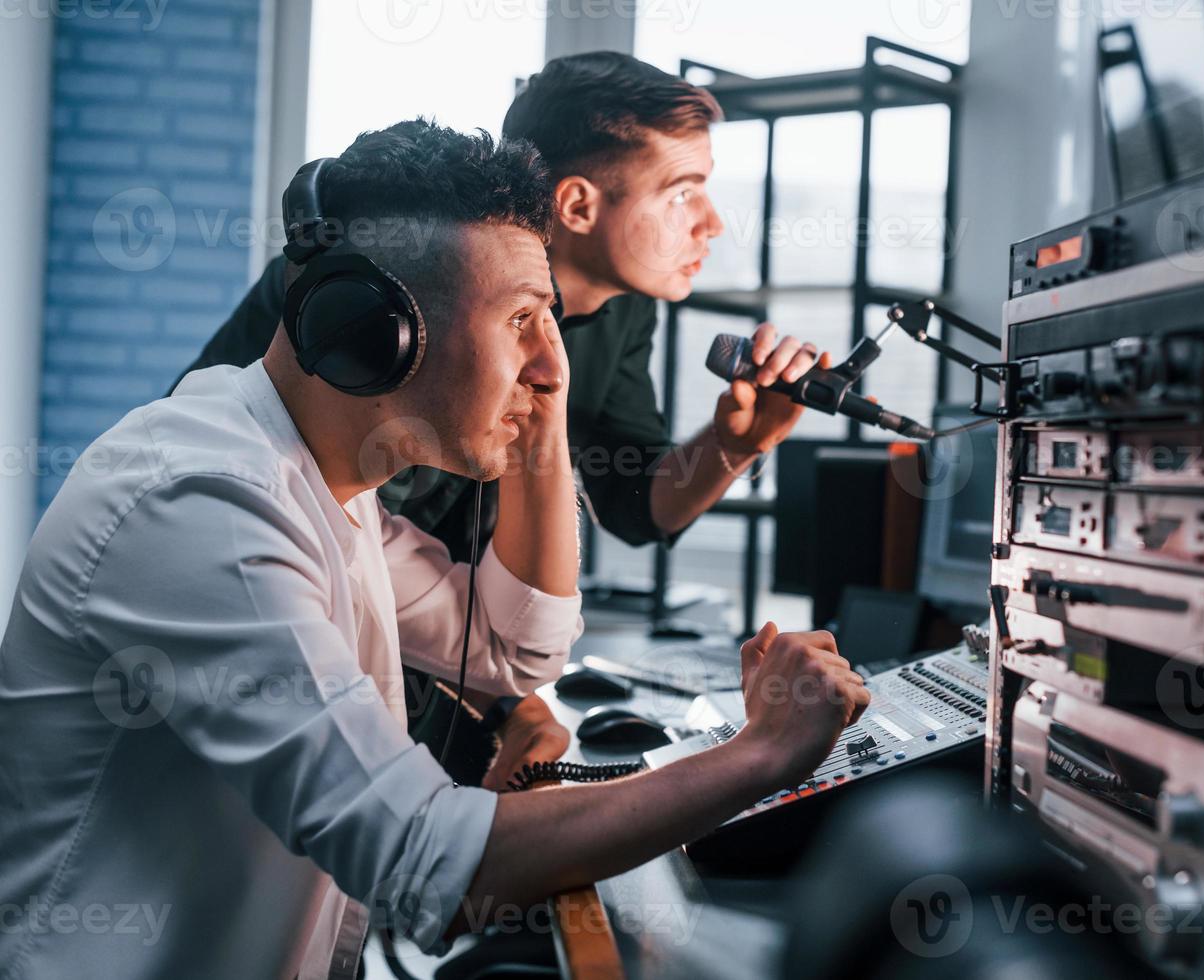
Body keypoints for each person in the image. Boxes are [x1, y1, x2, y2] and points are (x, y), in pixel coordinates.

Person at [0, 121, 869, 979]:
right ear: (374, 330)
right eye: (521, 319)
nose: (549, 362)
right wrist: (759, 755)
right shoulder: (202, 499)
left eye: (549, 324)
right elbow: (425, 861)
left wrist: (540, 415)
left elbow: (513, 647)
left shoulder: (331, 492)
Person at [180, 51, 830, 790]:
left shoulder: (622, 313)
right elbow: (258, 500)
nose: (714, 223)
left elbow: (637, 502)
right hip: (323, 653)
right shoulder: (361, 302)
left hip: (460, 662)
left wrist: (735, 442)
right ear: (579, 205)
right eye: (684, 193)